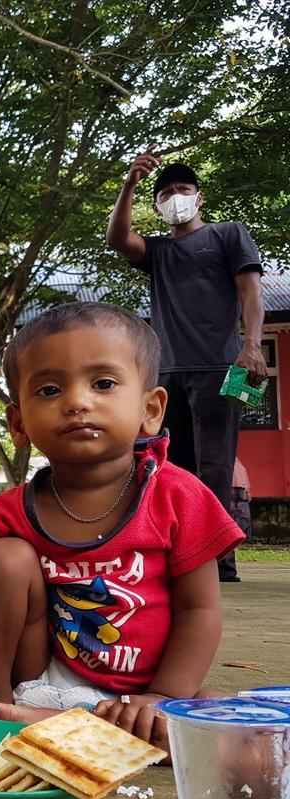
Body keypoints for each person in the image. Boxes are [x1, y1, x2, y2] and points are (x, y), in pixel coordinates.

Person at [0, 303, 245, 750]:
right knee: (2, 559)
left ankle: (69, 725)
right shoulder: (10, 510)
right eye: (48, 389)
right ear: (18, 423)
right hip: (40, 677)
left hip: (145, 692)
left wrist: (164, 697)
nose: (77, 401)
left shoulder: (180, 497)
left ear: (150, 409)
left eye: (103, 383)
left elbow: (200, 610)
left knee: (239, 731)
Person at [107, 153, 265, 582]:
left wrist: (252, 346)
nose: (175, 198)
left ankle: (218, 562)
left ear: (199, 197)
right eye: (166, 194)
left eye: (182, 191)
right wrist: (129, 185)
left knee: (215, 463)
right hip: (166, 374)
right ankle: (180, 554)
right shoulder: (158, 251)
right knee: (169, 467)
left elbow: (251, 293)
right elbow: (119, 239)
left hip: (220, 366)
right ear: (157, 206)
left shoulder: (228, 235)